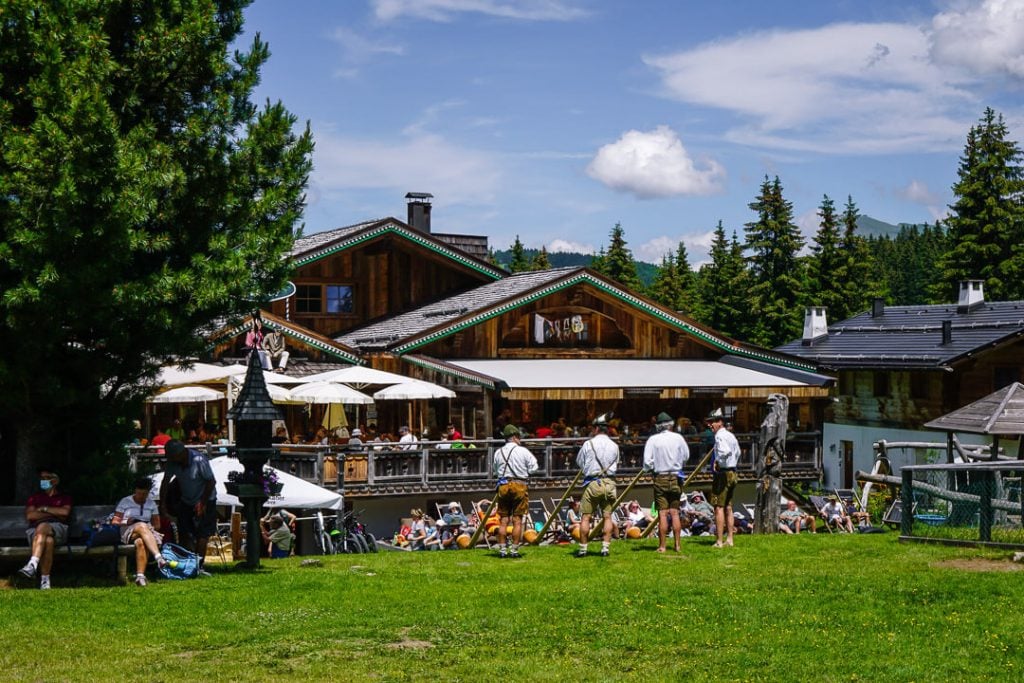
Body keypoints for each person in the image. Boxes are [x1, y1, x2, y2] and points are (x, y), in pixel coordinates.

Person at [158, 439, 216, 576]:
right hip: (187, 500)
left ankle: (199, 566)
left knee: (202, 533)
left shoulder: (199, 460)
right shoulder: (173, 463)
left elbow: (211, 481)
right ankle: (186, 563)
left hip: (206, 499)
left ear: (182, 453)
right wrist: (162, 504)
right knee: (183, 530)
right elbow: (165, 482)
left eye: (173, 457)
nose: (172, 460)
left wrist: (202, 503)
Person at [642, 411, 690, 553]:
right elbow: (686, 456)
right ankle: (677, 545)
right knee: (675, 512)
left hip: (660, 477)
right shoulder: (678, 438)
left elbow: (647, 463)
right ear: (671, 425)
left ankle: (662, 546)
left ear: (658, 426)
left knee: (662, 513)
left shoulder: (653, 440)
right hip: (676, 476)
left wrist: (651, 468)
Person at [18, 469, 72, 590]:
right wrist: (53, 514)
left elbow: (65, 512)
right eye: (41, 478)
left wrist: (44, 509)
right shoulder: (34, 498)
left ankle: (32, 563)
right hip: (35, 531)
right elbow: (31, 516)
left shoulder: (64, 498)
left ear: (54, 481)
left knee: (43, 527)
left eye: (46, 478)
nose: (42, 481)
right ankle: (45, 581)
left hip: (58, 529)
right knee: (48, 541)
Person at [575, 413, 619, 557]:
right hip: (609, 483)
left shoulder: (589, 443)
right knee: (607, 517)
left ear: (596, 429)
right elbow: (616, 462)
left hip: (593, 482)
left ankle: (583, 549)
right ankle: (605, 548)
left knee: (585, 517)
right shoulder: (614, 445)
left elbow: (579, 462)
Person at [492, 424, 539, 558]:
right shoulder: (523, 451)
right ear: (514, 437)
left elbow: (495, 471)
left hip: (503, 485)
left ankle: (502, 550)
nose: (520, 439)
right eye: (519, 437)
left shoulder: (498, 452)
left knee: (503, 520)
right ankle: (514, 550)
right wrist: (525, 471)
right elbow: (534, 467)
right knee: (517, 520)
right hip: (519, 484)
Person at [112, 476, 166, 586]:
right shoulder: (125, 501)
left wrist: (148, 528)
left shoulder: (151, 504)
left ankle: (140, 576)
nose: (142, 497)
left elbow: (157, 525)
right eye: (139, 494)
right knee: (141, 525)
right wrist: (127, 522)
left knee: (141, 542)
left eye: (144, 494)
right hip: (127, 531)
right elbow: (115, 521)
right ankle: (159, 558)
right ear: (135, 491)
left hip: (146, 533)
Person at [707, 410, 740, 548]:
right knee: (728, 507)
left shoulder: (720, 437)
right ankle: (730, 539)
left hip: (724, 473)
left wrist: (717, 462)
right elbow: (737, 452)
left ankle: (719, 541)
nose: (710, 425)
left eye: (712, 422)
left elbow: (725, 452)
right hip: (733, 471)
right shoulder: (731, 435)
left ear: (720, 422)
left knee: (718, 507)